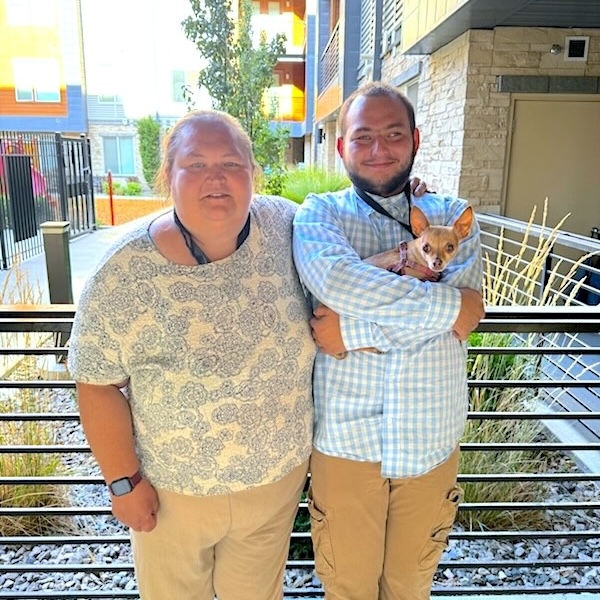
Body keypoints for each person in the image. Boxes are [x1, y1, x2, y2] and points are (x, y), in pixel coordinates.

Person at [67, 109, 316, 600]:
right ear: (168, 177)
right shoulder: (123, 274)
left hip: (274, 485)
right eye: (195, 164)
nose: (216, 177)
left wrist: (413, 205)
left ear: (253, 173)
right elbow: (95, 382)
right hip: (171, 497)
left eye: (232, 162)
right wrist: (123, 483)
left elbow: (352, 257)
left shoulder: (288, 228)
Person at [292, 81, 485, 600]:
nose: (379, 148)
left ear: (416, 139)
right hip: (346, 444)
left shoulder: (454, 216)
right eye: (363, 136)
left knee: (409, 588)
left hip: (430, 439)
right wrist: (447, 307)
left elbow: (467, 317)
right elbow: (334, 282)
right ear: (341, 146)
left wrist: (348, 330)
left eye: (394, 133)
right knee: (348, 588)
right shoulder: (320, 213)